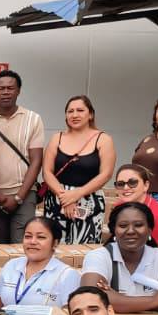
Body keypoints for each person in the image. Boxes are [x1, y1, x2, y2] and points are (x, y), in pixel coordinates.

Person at [80, 201, 158, 313]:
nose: (130, 231)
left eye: (138, 225)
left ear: (150, 230)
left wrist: (118, 300)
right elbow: (91, 298)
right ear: (114, 230)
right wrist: (155, 300)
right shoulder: (99, 256)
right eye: (123, 225)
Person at [0, 70, 44, 244]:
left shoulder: (33, 119)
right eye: (1, 88)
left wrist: (19, 197)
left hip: (25, 194)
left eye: (10, 88)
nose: (5, 92)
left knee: (22, 244)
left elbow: (36, 161)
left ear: (18, 91)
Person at [41, 95, 114, 245]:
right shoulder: (57, 138)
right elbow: (47, 172)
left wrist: (76, 194)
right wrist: (65, 197)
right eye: (70, 111)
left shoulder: (103, 139)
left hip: (89, 200)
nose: (74, 115)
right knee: (52, 245)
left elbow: (106, 174)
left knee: (84, 249)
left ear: (90, 114)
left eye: (80, 110)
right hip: (57, 198)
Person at [0, 217, 82, 310]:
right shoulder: (11, 265)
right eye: (28, 236)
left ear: (55, 243)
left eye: (41, 237)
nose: (32, 242)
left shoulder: (67, 275)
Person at [110, 163, 158, 247]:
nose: (126, 187)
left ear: (146, 185)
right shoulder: (120, 206)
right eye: (120, 184)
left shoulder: (156, 217)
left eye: (133, 182)